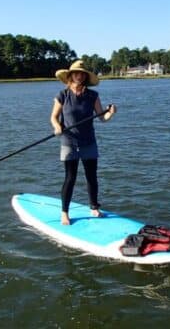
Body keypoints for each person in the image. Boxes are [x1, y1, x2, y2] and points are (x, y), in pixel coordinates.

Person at [50, 60, 117, 225]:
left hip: (88, 142)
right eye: (76, 73)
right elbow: (53, 117)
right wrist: (57, 126)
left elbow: (102, 117)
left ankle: (94, 207)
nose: (79, 76)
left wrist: (111, 113)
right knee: (70, 178)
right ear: (70, 76)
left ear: (85, 77)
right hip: (69, 142)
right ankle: (64, 212)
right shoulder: (63, 95)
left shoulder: (92, 96)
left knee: (91, 177)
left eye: (82, 74)